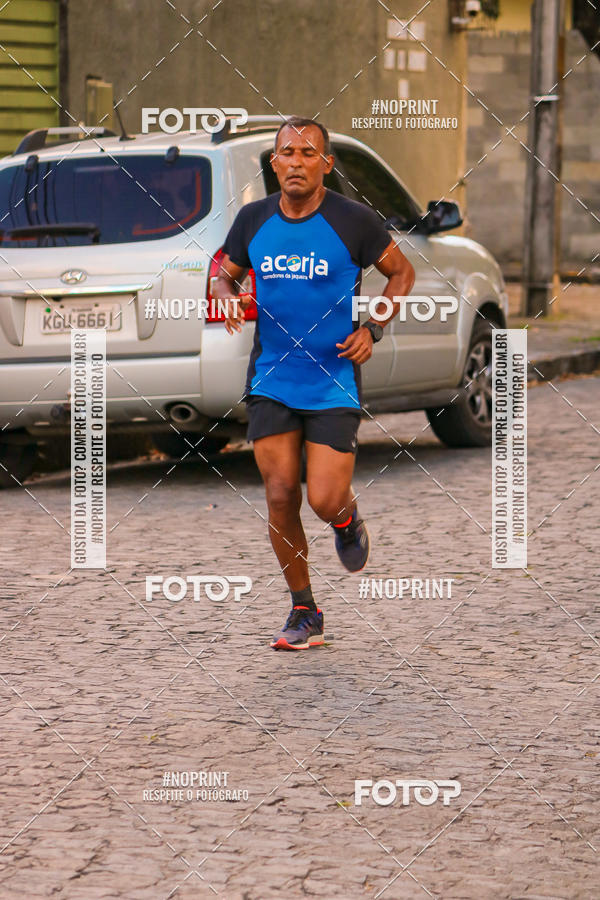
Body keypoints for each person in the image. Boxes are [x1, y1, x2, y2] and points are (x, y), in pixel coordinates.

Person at [213, 116, 415, 650]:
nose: (296, 162)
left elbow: (402, 273)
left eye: (308, 153)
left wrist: (373, 326)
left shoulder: (354, 220)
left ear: (326, 163)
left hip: (333, 380)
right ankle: (304, 610)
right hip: (272, 378)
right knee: (280, 495)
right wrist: (224, 291)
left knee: (324, 499)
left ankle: (346, 521)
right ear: (274, 162)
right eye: (287, 153)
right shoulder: (253, 220)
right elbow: (222, 270)